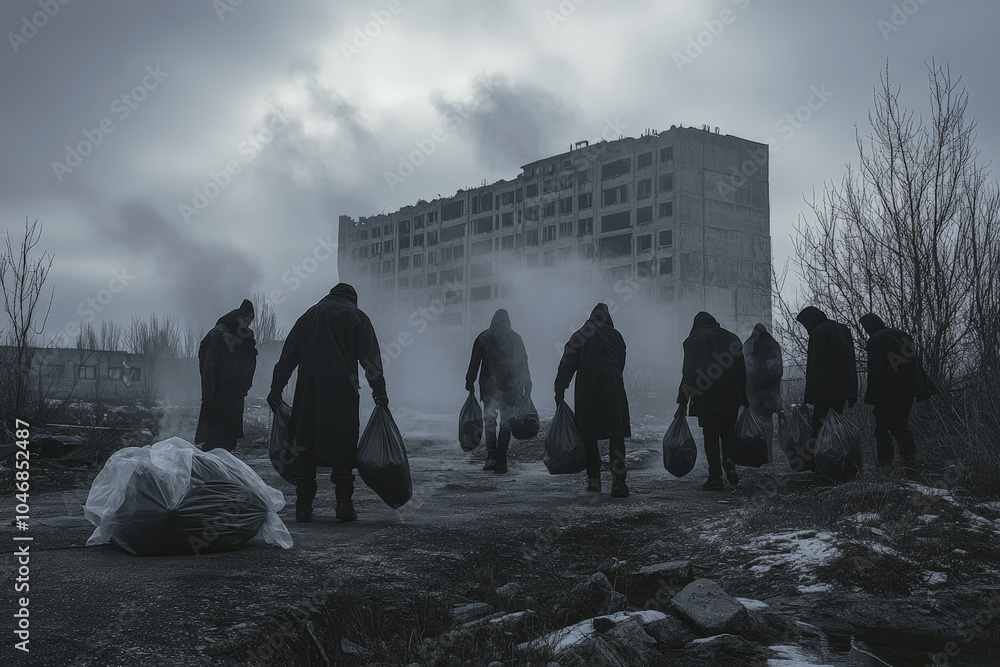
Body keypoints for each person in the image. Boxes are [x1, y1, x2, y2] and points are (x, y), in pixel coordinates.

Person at [267, 283, 387, 523]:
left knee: (304, 445)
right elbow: (370, 359)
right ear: (352, 299)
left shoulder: (308, 316)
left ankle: (303, 507)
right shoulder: (357, 316)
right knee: (343, 445)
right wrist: (379, 391)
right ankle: (343, 505)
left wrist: (275, 389)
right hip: (343, 392)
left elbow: (288, 357)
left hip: (308, 393)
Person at [554, 303, 631, 498]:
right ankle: (619, 484)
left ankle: (595, 482)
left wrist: (560, 389)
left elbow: (567, 363)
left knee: (589, 436)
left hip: (588, 391)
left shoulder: (580, 334)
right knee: (616, 435)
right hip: (613, 389)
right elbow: (620, 362)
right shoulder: (617, 336)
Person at [676, 312, 748, 491]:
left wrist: (682, 401)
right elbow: (741, 371)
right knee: (728, 431)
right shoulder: (733, 338)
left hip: (706, 396)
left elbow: (689, 373)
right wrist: (743, 397)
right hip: (731, 395)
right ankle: (730, 459)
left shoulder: (694, 340)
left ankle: (715, 476)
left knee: (710, 434)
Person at [860, 313, 937, 468]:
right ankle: (908, 460)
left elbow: (876, 371)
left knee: (884, 425)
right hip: (909, 388)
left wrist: (871, 395)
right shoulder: (901, 334)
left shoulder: (876, 340)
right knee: (900, 421)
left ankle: (887, 464)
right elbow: (913, 364)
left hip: (888, 390)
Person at [465, 309, 531, 474]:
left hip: (489, 387)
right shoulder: (516, 338)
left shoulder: (484, 337)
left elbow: (474, 362)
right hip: (511, 388)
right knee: (506, 423)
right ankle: (502, 461)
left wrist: (469, 381)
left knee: (489, 422)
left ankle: (491, 458)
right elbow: (523, 363)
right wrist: (527, 384)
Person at [195, 299, 257, 453]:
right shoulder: (223, 334)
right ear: (243, 317)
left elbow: (249, 363)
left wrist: (244, 387)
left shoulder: (224, 333)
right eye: (248, 320)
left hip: (224, 393)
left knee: (221, 440)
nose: (248, 324)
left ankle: (216, 469)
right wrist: (211, 393)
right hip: (224, 394)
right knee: (220, 440)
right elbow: (209, 364)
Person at [796, 306, 858, 441]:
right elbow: (850, 362)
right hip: (843, 390)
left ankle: (824, 459)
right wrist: (853, 392)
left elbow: (815, 367)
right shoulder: (843, 329)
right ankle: (837, 457)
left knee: (820, 429)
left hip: (825, 392)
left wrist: (810, 397)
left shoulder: (818, 332)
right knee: (835, 426)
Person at [743, 323, 785, 462]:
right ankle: (764, 456)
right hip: (764, 395)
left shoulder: (760, 345)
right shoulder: (769, 345)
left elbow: (773, 370)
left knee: (762, 426)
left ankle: (763, 456)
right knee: (763, 426)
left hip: (762, 395)